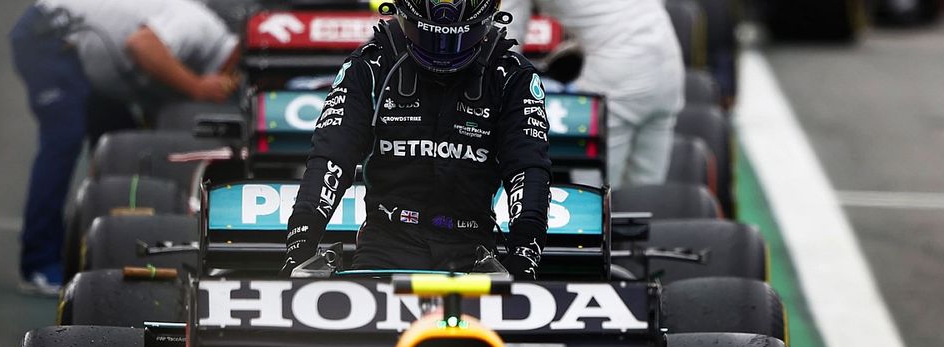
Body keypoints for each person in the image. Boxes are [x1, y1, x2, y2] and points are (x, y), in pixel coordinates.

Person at [282, 0, 551, 279]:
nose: (444, 49)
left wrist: (523, 255)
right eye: (431, 35)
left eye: (458, 37)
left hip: (473, 252)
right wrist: (302, 242)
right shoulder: (371, 65)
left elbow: (527, 167)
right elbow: (332, 156)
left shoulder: (511, 75)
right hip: (386, 244)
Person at [10, 0, 240, 295]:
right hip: (50, 37)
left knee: (121, 149)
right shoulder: (200, 26)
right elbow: (140, 45)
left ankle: (103, 249)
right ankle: (38, 263)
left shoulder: (200, 47)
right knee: (63, 138)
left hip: (84, 56)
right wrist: (197, 87)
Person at [500, 0, 684, 189]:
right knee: (646, 196)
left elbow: (506, 37)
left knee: (594, 196)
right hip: (668, 61)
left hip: (618, 72)